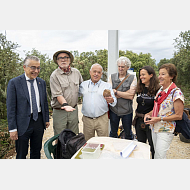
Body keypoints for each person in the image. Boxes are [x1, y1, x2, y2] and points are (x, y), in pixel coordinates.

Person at [6, 56, 50, 159]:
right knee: (21, 153)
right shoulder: (14, 83)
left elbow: (44, 102)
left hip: (38, 121)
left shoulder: (41, 82)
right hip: (22, 124)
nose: (36, 71)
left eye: (38, 68)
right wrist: (12, 128)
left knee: (36, 151)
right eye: (33, 67)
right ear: (24, 67)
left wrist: (46, 119)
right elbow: (11, 107)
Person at [144, 63, 184, 159]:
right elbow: (157, 109)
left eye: (163, 74)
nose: (159, 77)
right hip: (154, 127)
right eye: (159, 74)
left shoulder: (176, 93)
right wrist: (147, 114)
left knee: (160, 156)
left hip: (165, 130)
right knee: (157, 154)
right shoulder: (161, 90)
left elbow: (179, 115)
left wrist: (159, 119)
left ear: (171, 76)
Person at [79, 63, 117, 141]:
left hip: (102, 119)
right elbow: (75, 95)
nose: (96, 74)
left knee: (104, 142)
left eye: (99, 72)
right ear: (90, 72)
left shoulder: (106, 86)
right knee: (88, 142)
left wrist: (112, 100)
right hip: (87, 120)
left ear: (101, 74)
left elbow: (114, 101)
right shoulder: (83, 85)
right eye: (94, 71)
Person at [50, 50, 83, 137]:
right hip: (60, 112)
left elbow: (82, 88)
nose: (63, 60)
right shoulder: (54, 76)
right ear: (57, 61)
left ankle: (73, 151)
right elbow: (58, 95)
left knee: (74, 136)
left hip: (73, 111)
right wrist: (65, 105)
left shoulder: (76, 72)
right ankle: (59, 151)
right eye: (60, 58)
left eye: (65, 57)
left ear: (69, 60)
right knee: (60, 137)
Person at [132, 66, 160, 159]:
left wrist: (149, 114)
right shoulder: (140, 88)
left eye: (143, 75)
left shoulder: (158, 89)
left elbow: (159, 107)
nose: (141, 77)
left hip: (151, 121)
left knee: (153, 147)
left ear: (151, 75)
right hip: (139, 120)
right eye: (140, 75)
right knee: (140, 145)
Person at [108, 56, 137, 140]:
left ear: (127, 67)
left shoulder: (133, 77)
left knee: (128, 133)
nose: (120, 68)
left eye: (122, 67)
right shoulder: (111, 76)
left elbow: (131, 96)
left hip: (127, 111)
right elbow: (109, 93)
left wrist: (116, 92)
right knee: (113, 133)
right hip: (114, 110)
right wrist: (125, 94)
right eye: (119, 66)